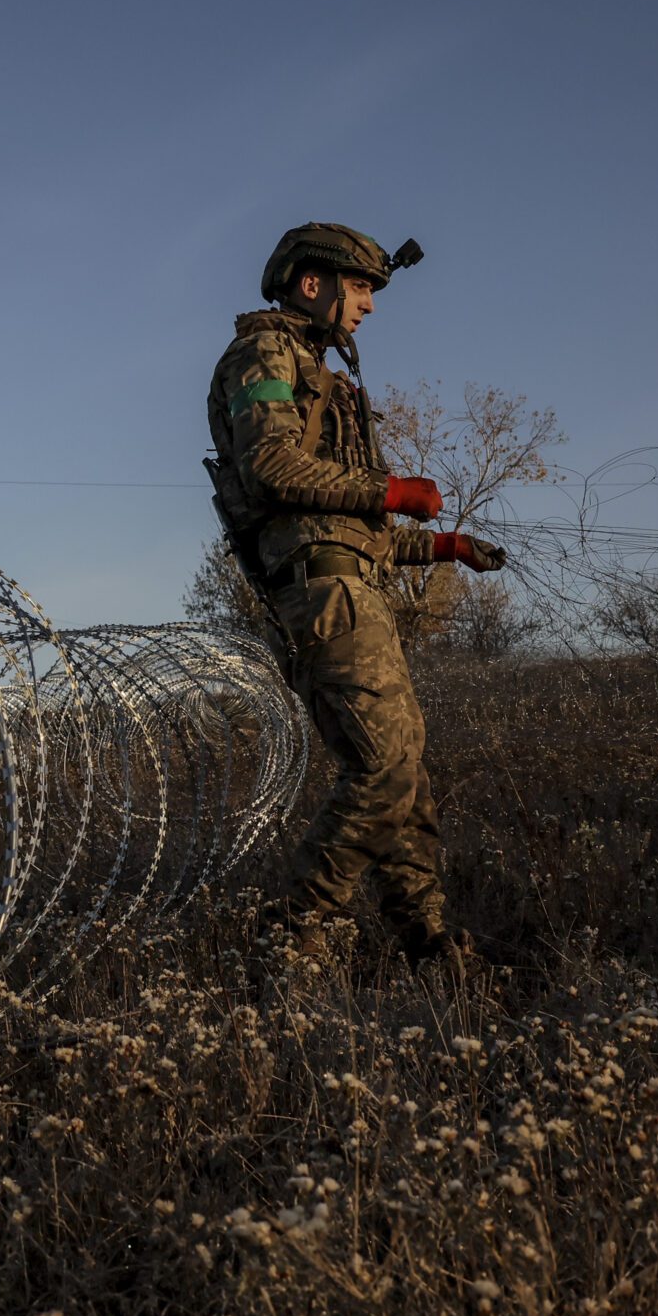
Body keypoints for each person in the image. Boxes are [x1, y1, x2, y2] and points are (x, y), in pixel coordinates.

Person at [204, 223, 508, 977]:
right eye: (362, 288)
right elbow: (272, 466)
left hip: (350, 580)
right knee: (384, 767)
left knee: (406, 770)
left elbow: (350, 524)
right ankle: (294, 926)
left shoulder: (318, 372)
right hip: (322, 593)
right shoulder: (262, 355)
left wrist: (441, 546)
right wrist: (393, 491)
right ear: (316, 283)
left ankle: (427, 942)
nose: (368, 306)